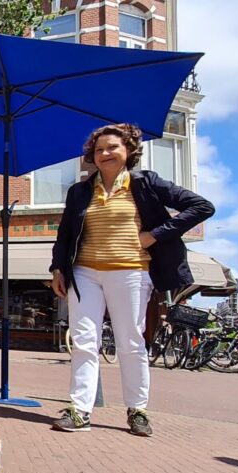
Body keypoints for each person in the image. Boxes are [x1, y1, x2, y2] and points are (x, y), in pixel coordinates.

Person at [49, 123, 214, 437]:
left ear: (128, 151)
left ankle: (137, 410)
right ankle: (80, 410)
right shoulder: (80, 191)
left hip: (131, 271)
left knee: (130, 343)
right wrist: (58, 269)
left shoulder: (146, 183)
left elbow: (201, 206)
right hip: (84, 272)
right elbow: (65, 235)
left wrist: (155, 235)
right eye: (98, 150)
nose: (105, 153)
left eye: (112, 147)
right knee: (84, 343)